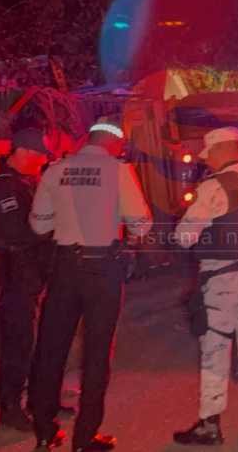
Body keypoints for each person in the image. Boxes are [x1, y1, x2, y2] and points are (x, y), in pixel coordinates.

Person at [28, 118, 152, 451]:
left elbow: (39, 225)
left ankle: (44, 431)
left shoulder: (56, 170)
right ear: (114, 143)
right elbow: (140, 224)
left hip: (64, 268)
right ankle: (85, 438)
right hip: (102, 269)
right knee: (97, 354)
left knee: (51, 349)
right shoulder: (118, 171)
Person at [172, 127, 238, 445]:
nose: (207, 161)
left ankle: (210, 423)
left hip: (222, 280)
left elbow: (185, 236)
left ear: (221, 150)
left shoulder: (214, 186)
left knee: (215, 351)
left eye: (209, 154)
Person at [0, 128, 53, 433]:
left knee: (39, 342)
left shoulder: (26, 183)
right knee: (18, 343)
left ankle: (38, 402)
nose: (42, 162)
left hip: (34, 275)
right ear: (23, 152)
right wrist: (52, 226)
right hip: (16, 277)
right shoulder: (3, 187)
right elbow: (14, 233)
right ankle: (10, 407)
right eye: (39, 156)